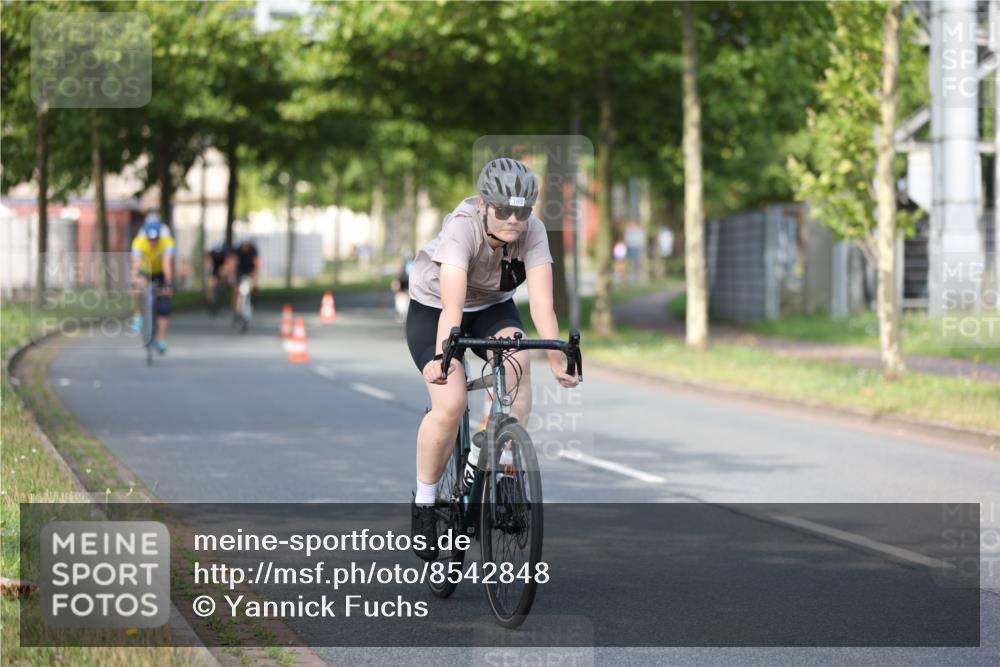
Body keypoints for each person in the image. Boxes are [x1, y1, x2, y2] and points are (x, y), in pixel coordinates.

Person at [405, 158, 580, 561]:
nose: (514, 220)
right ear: (485, 204)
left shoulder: (532, 231)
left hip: (491, 307)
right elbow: (451, 307)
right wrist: (440, 357)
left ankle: (503, 468)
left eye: (523, 211)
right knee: (450, 404)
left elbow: (541, 303)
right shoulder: (461, 228)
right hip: (436, 307)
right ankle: (427, 502)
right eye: (504, 211)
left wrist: (556, 360)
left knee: (518, 362)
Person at [130, 213, 175, 354]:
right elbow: (136, 265)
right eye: (150, 239)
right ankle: (138, 315)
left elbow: (167, 264)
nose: (153, 242)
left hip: (160, 272)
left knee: (164, 309)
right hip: (145, 270)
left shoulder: (167, 241)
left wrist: (168, 284)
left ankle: (161, 340)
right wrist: (134, 280)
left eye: (156, 239)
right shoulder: (138, 241)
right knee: (137, 288)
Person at [231, 238, 260, 317]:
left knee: (254, 287)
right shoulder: (237, 251)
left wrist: (255, 274)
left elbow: (257, 264)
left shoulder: (253, 251)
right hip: (239, 273)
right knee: (236, 290)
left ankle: (253, 301)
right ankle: (235, 310)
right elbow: (233, 263)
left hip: (250, 273)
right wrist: (232, 274)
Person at [204, 241, 232, 315]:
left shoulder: (225, 254)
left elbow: (228, 264)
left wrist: (225, 272)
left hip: (222, 267)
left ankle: (223, 293)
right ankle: (211, 303)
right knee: (210, 285)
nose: (218, 254)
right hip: (214, 268)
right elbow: (208, 263)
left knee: (223, 279)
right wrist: (209, 270)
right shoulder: (211, 253)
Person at [390, 254, 414, 322]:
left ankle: (403, 313)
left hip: (406, 285)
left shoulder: (407, 268)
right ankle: (402, 313)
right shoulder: (403, 270)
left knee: (403, 299)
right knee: (402, 298)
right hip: (404, 286)